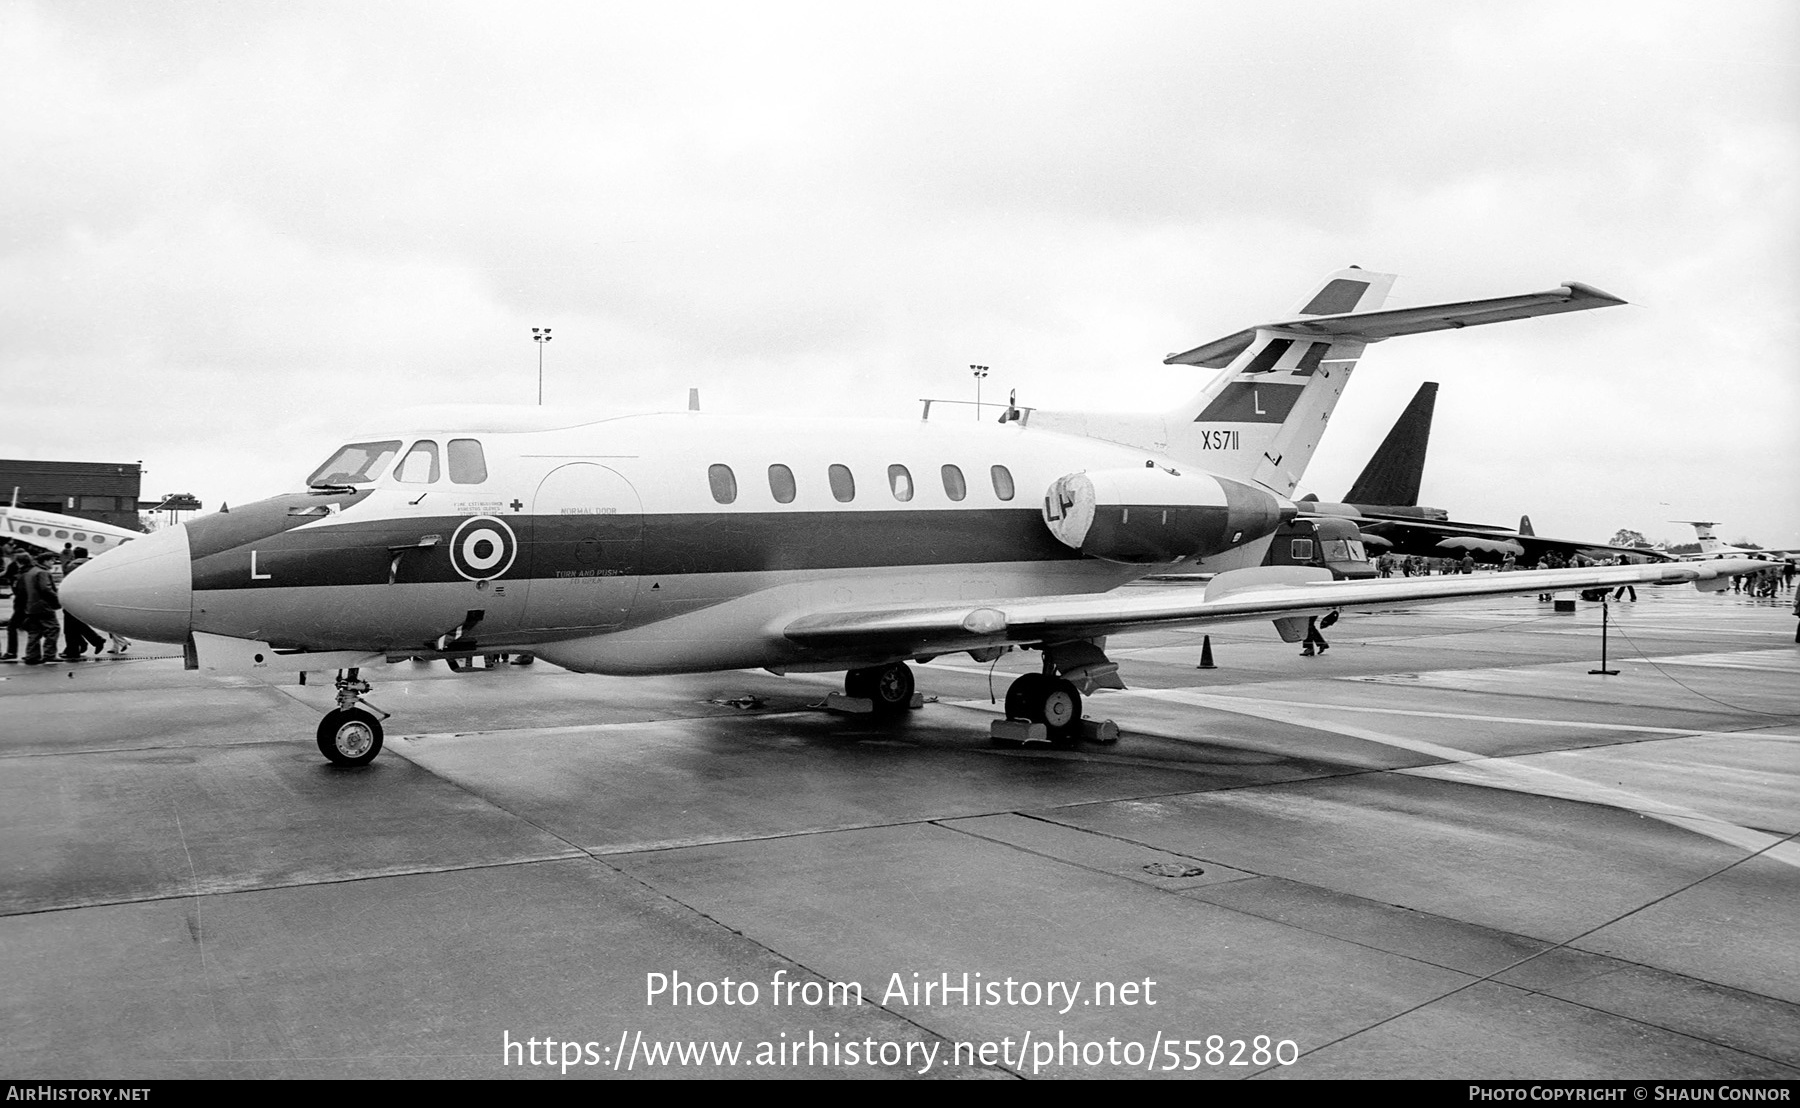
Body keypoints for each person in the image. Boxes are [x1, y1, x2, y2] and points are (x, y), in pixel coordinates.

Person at [58, 547, 107, 659]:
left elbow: (68, 583)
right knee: (75, 624)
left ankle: (78, 648)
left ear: (75, 555)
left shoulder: (71, 566)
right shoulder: (94, 564)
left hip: (73, 598)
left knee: (70, 627)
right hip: (89, 598)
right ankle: (79, 647)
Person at [19, 552, 62, 665]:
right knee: (53, 629)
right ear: (45, 561)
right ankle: (49, 654)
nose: (53, 563)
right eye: (52, 560)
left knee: (35, 631)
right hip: (43, 606)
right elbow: (46, 589)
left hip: (31, 606)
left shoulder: (30, 572)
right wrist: (57, 599)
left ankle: (32, 655)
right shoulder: (42, 572)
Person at [2, 550, 33, 661]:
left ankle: (12, 652)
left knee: (12, 627)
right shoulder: (31, 571)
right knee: (32, 629)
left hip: (22, 604)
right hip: (28, 604)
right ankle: (33, 653)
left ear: (19, 562)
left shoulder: (22, 574)